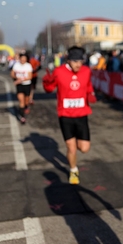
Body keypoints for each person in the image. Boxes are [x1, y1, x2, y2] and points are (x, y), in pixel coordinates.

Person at [42, 46, 97, 185]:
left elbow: (88, 85)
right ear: (68, 60)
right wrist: (47, 80)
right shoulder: (59, 72)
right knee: (71, 147)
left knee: (84, 148)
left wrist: (90, 94)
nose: (78, 64)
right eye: (75, 61)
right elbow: (49, 89)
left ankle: (74, 154)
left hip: (81, 114)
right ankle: (73, 170)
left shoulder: (86, 71)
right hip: (65, 115)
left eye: (80, 61)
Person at [11, 52, 33, 124]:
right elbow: (12, 74)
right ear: (20, 58)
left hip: (27, 85)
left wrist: (21, 80)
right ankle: (22, 117)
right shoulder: (16, 65)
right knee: (21, 100)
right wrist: (16, 78)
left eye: (24, 58)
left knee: (26, 101)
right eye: (22, 58)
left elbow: (30, 77)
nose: (23, 60)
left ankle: (26, 106)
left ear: (26, 59)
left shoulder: (28, 66)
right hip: (19, 85)